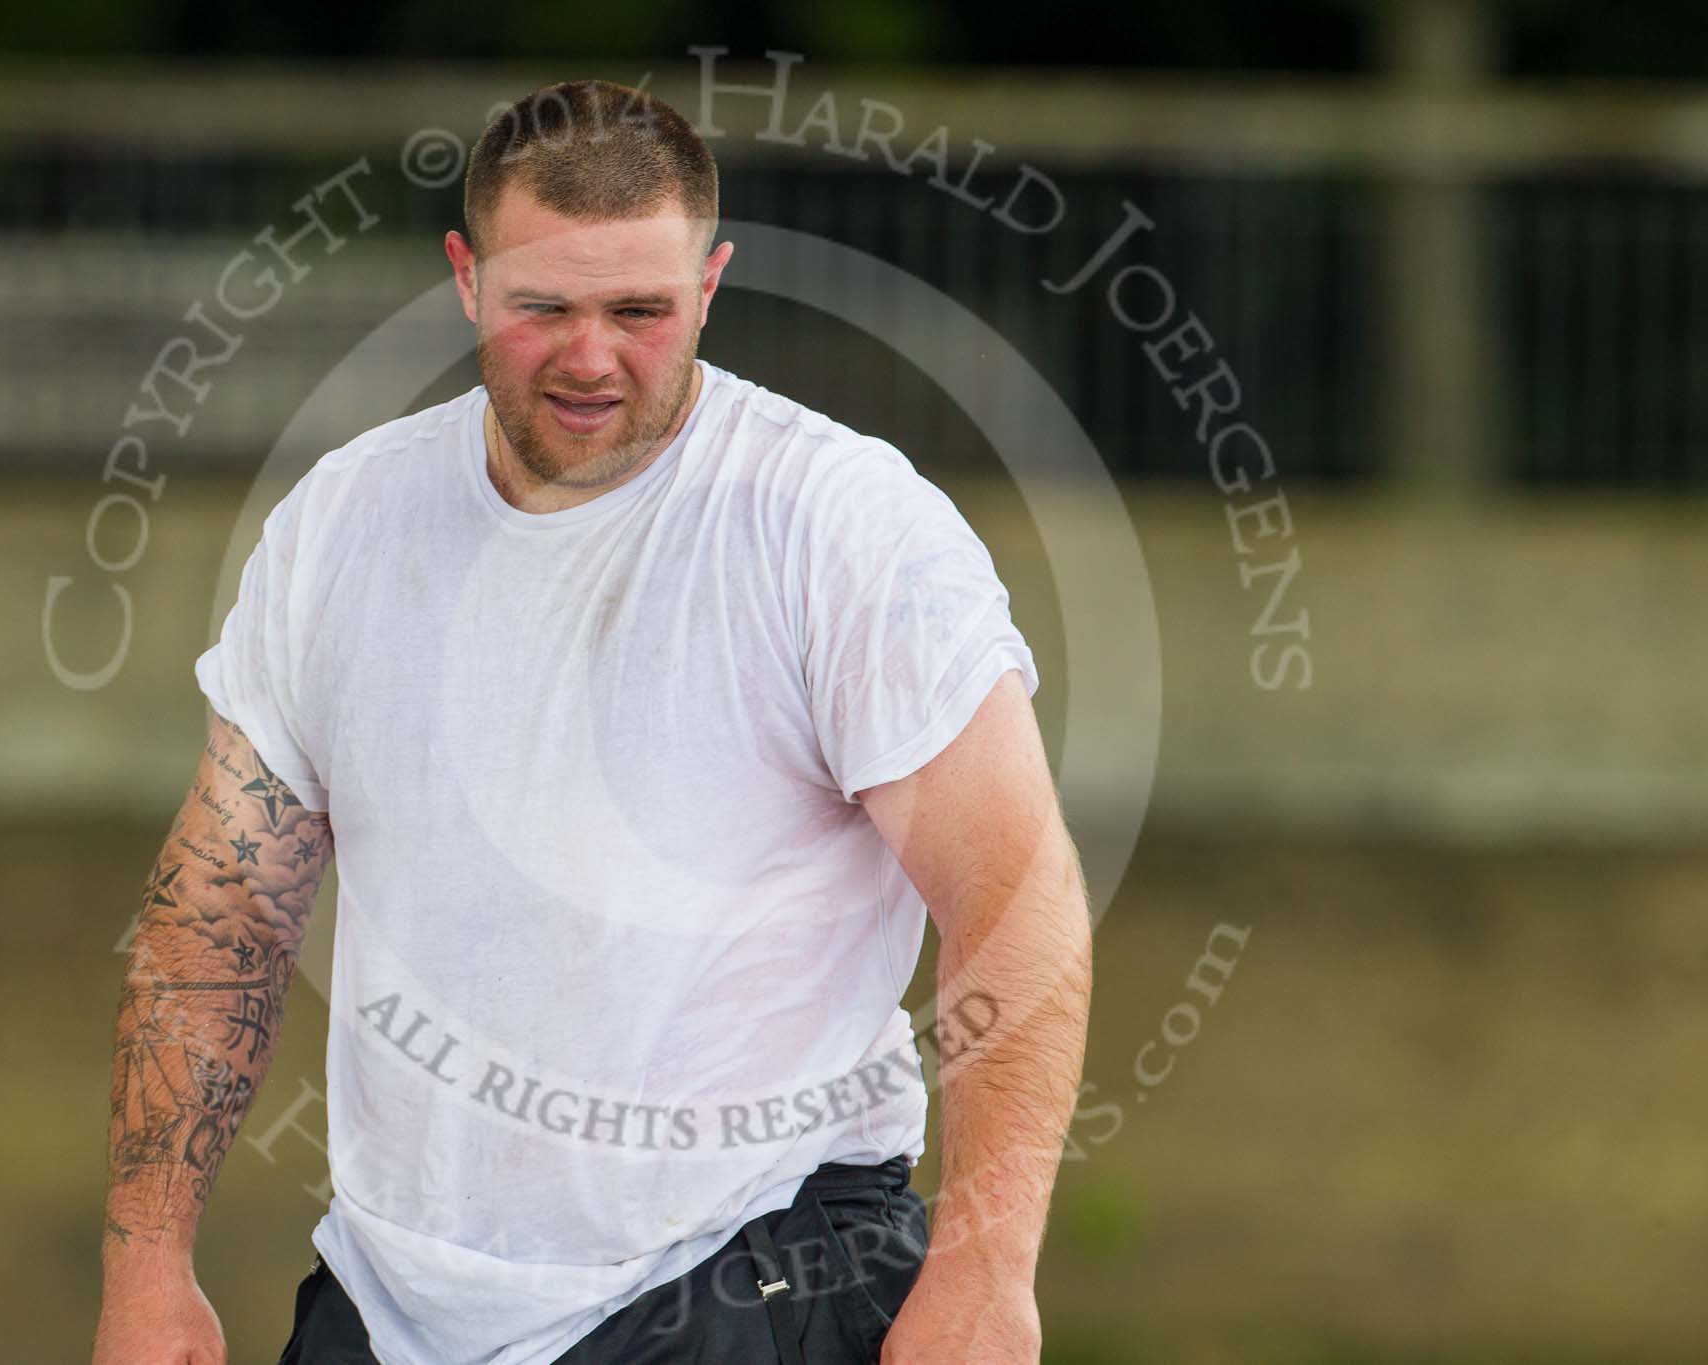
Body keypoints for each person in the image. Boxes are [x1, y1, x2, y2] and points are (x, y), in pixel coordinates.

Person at [92, 78, 1092, 1365]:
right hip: (388, 1298)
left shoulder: (839, 526)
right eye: (540, 309)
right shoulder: (344, 523)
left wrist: (986, 1275)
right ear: (464, 278)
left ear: (710, 286)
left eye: (639, 311)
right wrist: (147, 1263)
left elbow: (1016, 902)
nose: (589, 358)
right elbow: (218, 914)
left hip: (751, 1269)